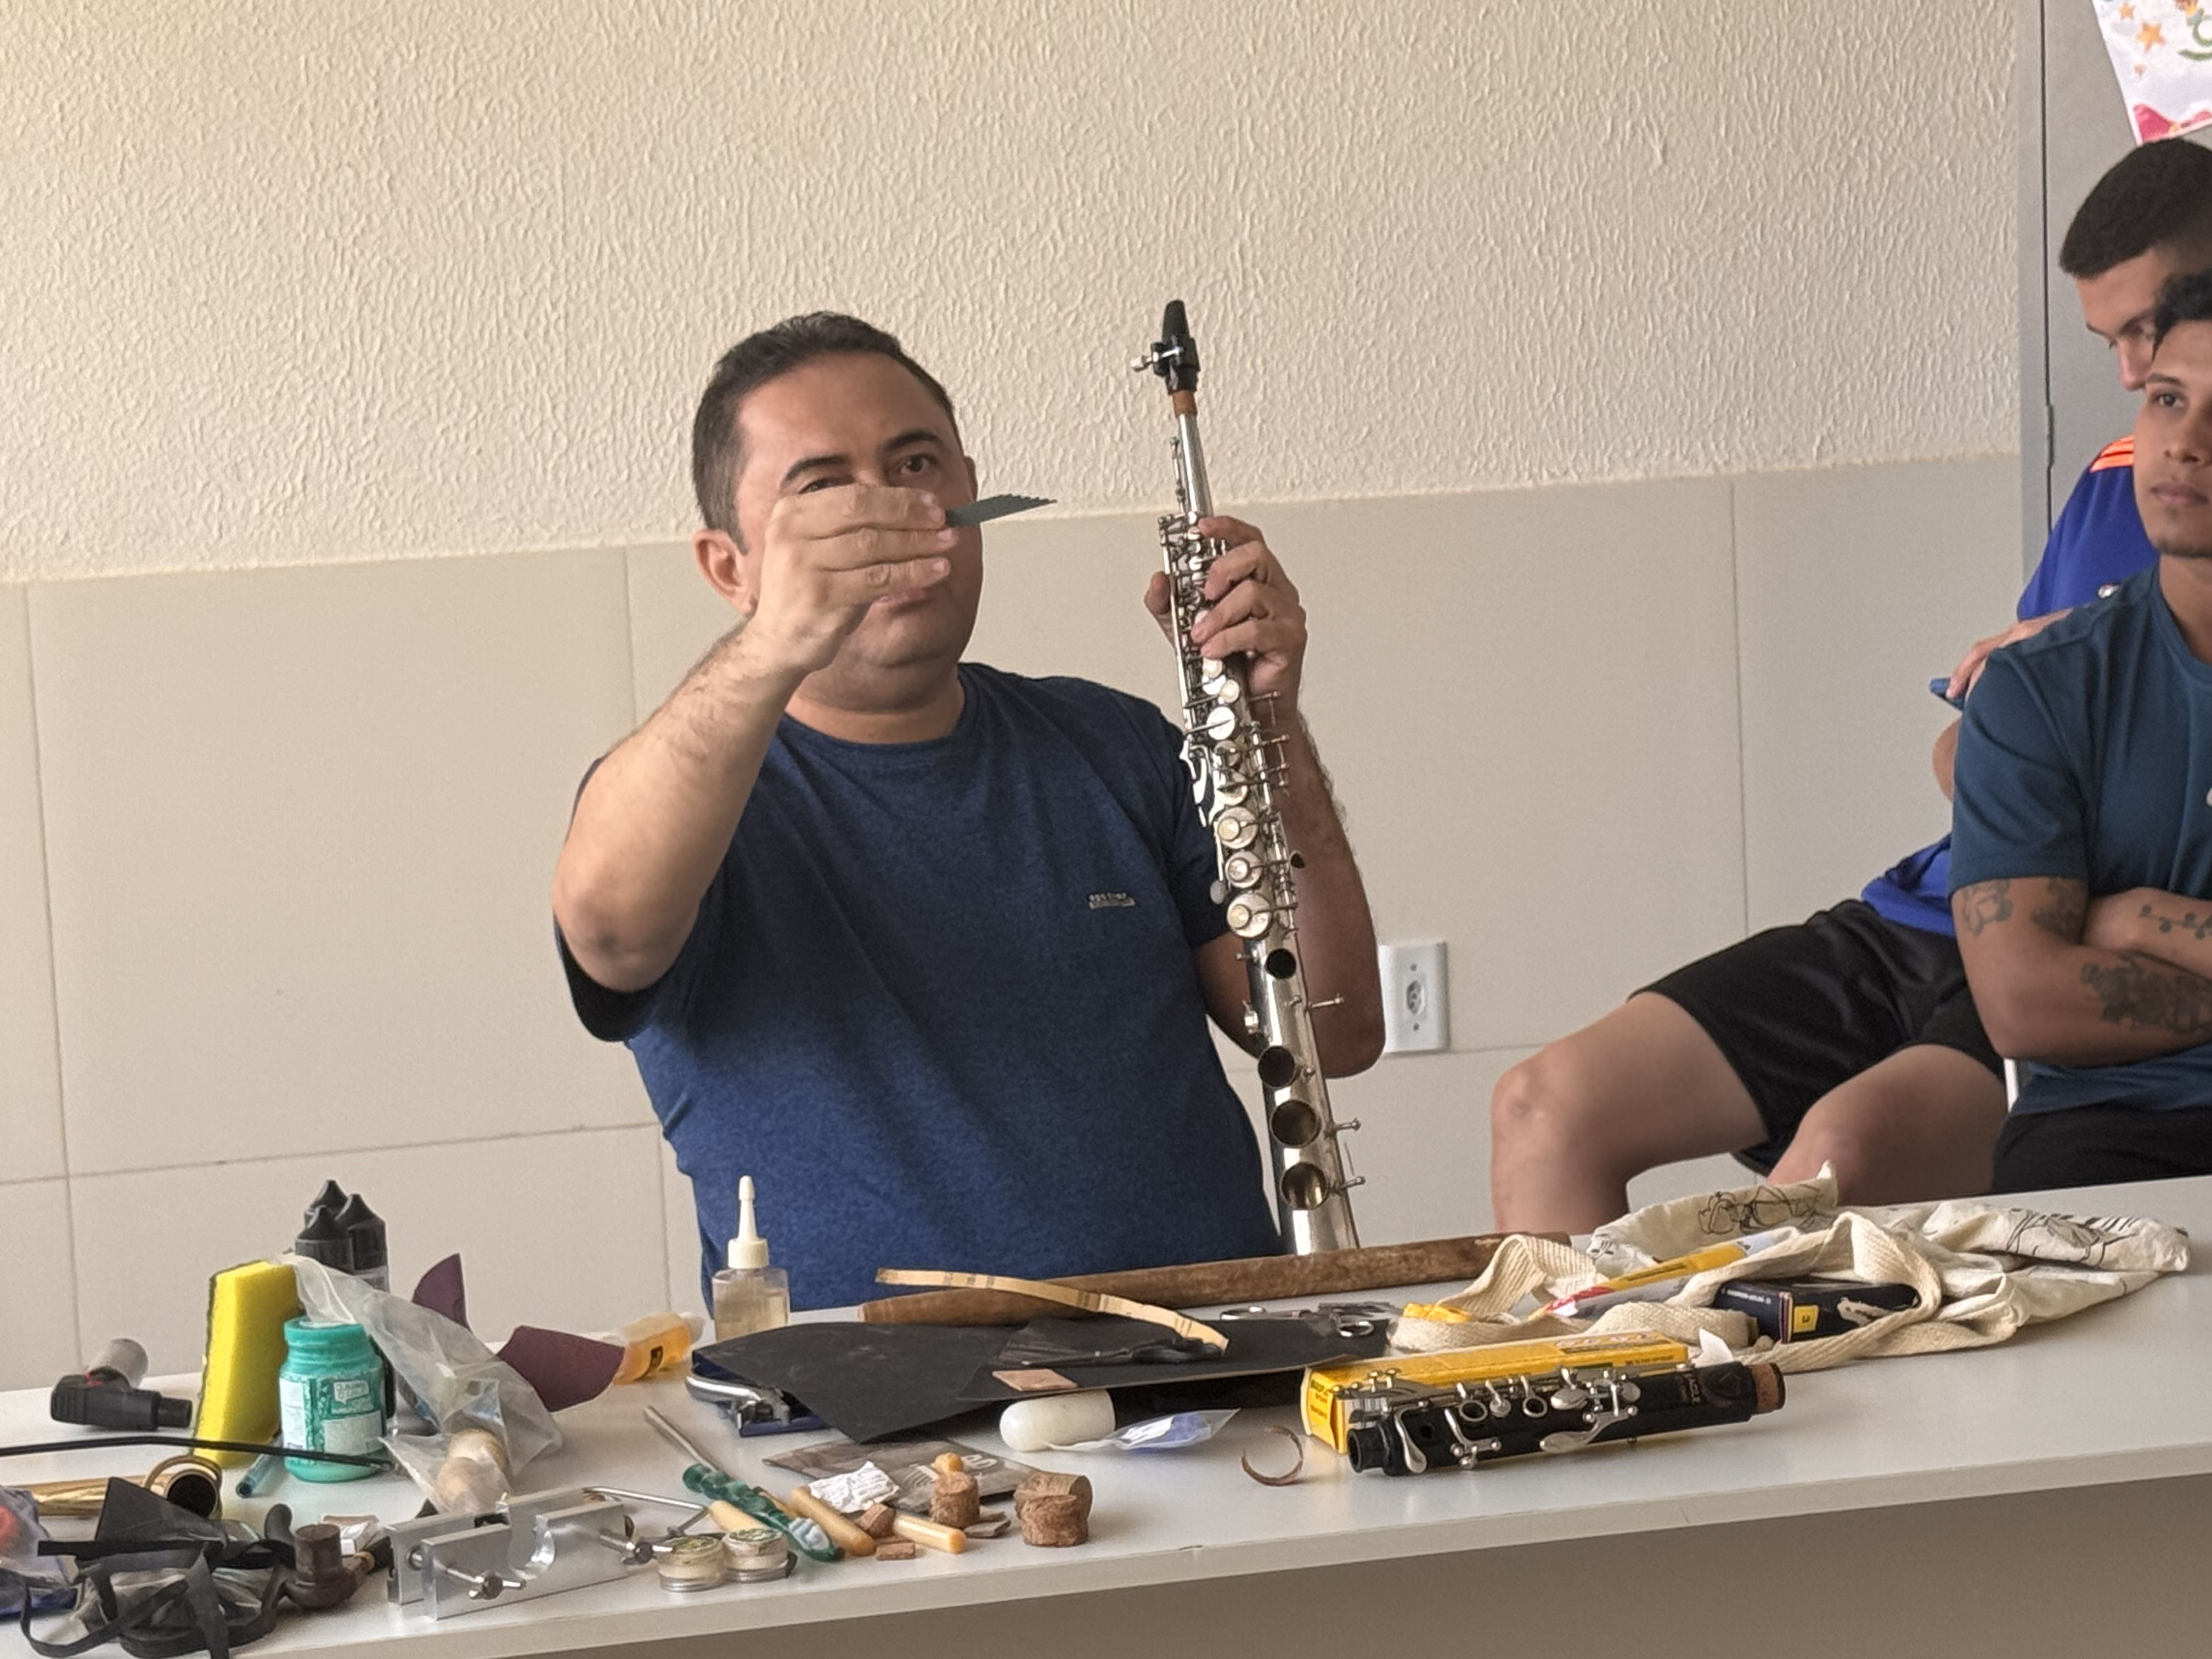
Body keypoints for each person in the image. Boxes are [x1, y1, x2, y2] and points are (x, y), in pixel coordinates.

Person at [551, 313, 1384, 1309]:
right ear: (730, 567)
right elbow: (608, 927)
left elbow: (1336, 1034)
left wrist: (1269, 724)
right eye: (824, 491)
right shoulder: (686, 802)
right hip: (869, 1400)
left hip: (1217, 1367)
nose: (889, 515)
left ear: (971, 493)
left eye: (915, 467)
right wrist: (778, 640)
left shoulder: (1117, 744)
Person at [1489, 139, 2212, 1233]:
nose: (2130, 381)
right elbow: (1973, 749)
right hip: (1947, 904)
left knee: (1831, 1172)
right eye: (2129, 360)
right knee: (1545, 1105)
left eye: (2145, 330)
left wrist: (2124, 899)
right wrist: (2039, 712)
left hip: (2063, 954)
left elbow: (2041, 962)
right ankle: (1577, 1357)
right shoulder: (2123, 478)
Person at [1951, 266, 2212, 1191]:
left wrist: (2145, 922)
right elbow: (2023, 1004)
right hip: (2115, 1132)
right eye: (2168, 400)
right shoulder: (2039, 688)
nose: (2185, 444)